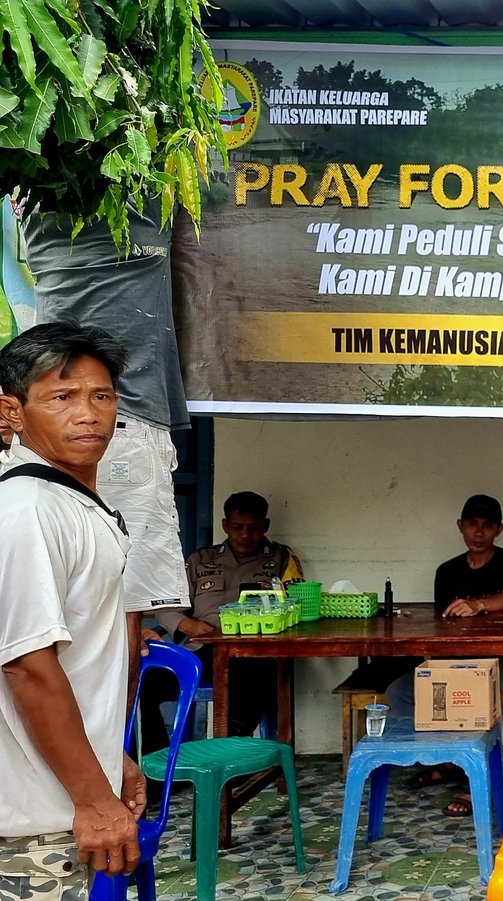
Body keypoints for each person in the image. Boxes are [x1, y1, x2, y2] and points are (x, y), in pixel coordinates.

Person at [0, 322, 143, 899]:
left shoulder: (71, 503)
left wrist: (111, 759)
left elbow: (81, 657)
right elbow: (27, 665)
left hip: (61, 801)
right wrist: (95, 798)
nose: (88, 414)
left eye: (101, 395)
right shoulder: (28, 510)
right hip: (35, 822)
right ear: (11, 411)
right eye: (62, 397)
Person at [25, 204, 192, 655]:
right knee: (127, 609)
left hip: (51, 429)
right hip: (120, 423)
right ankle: (114, 704)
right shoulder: (140, 207)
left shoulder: (36, 217)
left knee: (68, 599)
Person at [387, 494, 503, 817]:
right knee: (399, 692)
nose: (479, 532)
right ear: (460, 526)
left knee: (473, 697)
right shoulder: (447, 570)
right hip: (456, 658)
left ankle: (474, 778)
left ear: (499, 529)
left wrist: (478, 605)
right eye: (472, 524)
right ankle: (450, 760)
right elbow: (443, 622)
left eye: (488, 525)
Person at [138, 491, 304, 755]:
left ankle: (232, 753)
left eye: (254, 528)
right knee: (147, 683)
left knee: (258, 677)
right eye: (237, 527)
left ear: (266, 525)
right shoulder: (200, 560)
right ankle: (159, 762)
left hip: (254, 654)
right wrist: (186, 625)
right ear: (225, 525)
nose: (245, 535)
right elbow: (167, 607)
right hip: (201, 653)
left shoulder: (281, 559)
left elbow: (297, 604)